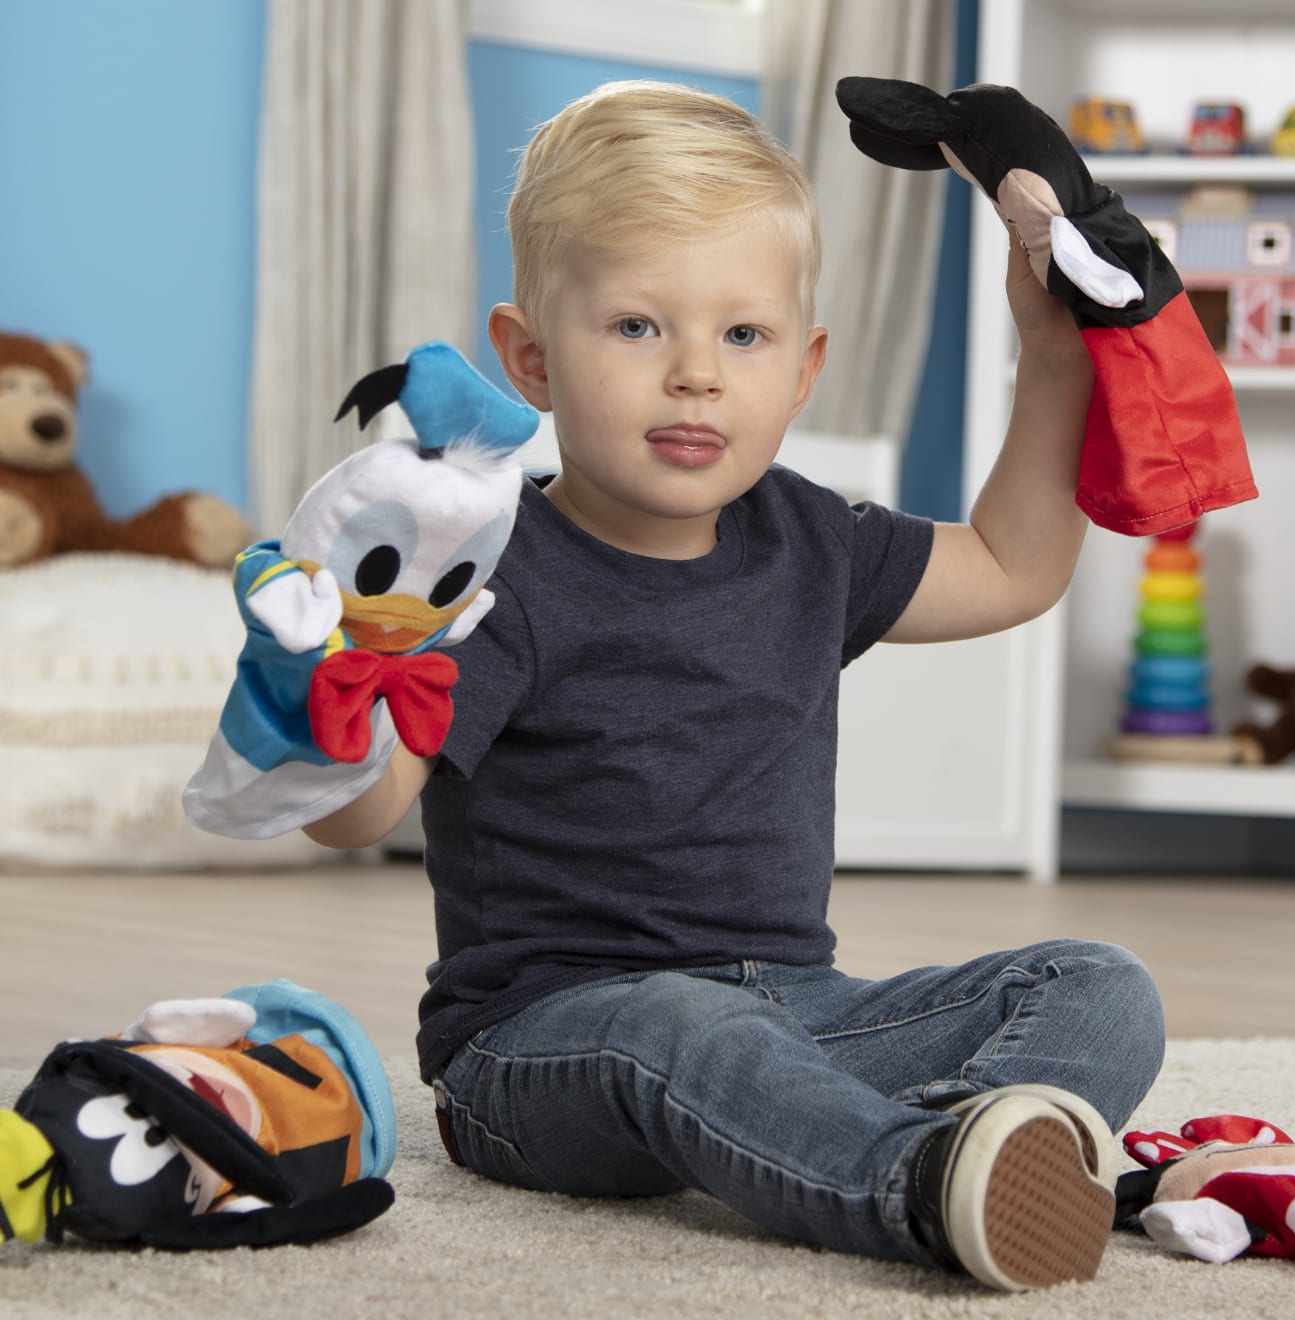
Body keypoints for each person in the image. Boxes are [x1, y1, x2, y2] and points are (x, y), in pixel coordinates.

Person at [304, 80, 1165, 1292]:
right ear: (532, 359)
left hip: (797, 1011)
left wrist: (1056, 359)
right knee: (684, 1027)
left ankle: (959, 1143)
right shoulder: (491, 567)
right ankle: (906, 1182)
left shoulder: (809, 542)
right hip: (548, 1045)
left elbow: (1014, 568)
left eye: (743, 336)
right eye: (638, 328)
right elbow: (355, 815)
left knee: (1097, 982)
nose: (697, 375)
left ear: (803, 370)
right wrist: (336, 675)